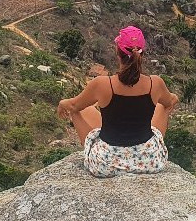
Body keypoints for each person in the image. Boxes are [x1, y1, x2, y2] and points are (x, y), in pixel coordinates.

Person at [57, 25, 179, 177]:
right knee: (164, 106)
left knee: (78, 109)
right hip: (149, 161)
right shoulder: (155, 83)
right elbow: (170, 102)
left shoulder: (102, 84)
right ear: (143, 53)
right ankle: (143, 146)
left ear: (117, 52)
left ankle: (101, 142)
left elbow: (73, 104)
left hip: (106, 164)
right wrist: (173, 98)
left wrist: (63, 103)